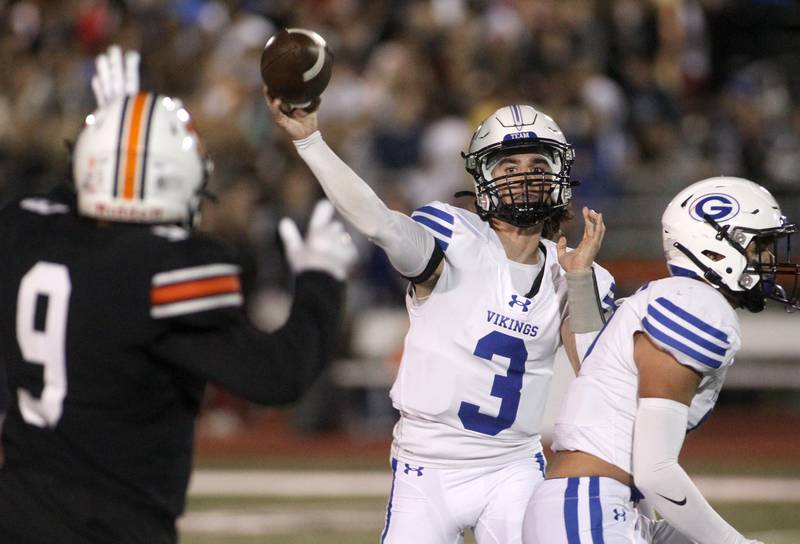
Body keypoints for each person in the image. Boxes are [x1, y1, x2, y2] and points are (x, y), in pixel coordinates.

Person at [0, 48, 357, 544]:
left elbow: (73, 200)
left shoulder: (23, 229)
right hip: (115, 525)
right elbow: (277, 376)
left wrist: (115, 131)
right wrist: (321, 280)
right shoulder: (171, 265)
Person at [267, 94, 616, 543]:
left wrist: (582, 281)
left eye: (537, 164)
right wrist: (312, 141)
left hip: (513, 466)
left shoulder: (574, 272)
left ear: (559, 176)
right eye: (509, 168)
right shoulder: (454, 239)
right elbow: (380, 224)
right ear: (484, 178)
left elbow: (593, 372)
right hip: (426, 465)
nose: (525, 177)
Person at [522, 176, 799, 544]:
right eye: (758, 245)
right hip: (592, 508)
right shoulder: (696, 305)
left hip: (597, 505)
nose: (769, 259)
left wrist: (579, 280)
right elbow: (656, 472)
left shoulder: (670, 297)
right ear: (716, 248)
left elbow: (592, 361)